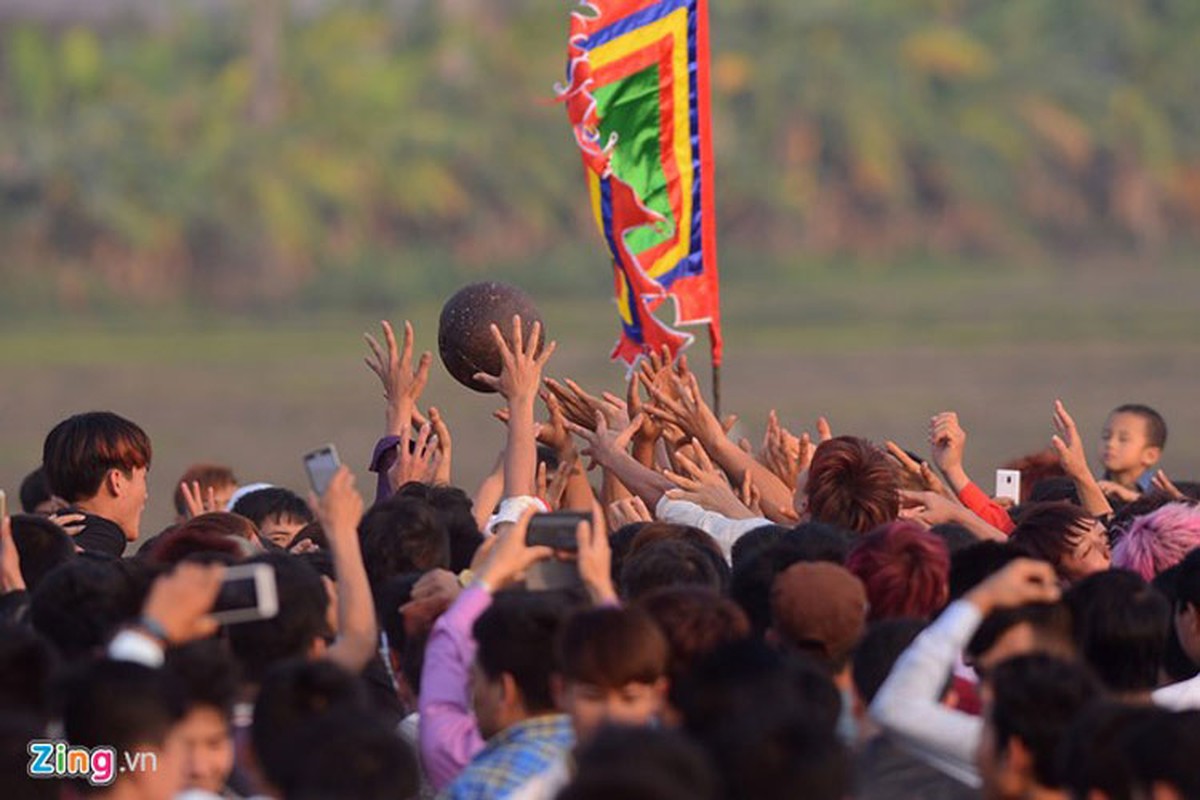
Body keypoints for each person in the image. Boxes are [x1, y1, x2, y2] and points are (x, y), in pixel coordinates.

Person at [41, 411, 153, 556]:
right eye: (143, 478)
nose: (145, 495)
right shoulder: (105, 544)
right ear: (116, 481)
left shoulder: (25, 549)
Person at [1097, 403, 1167, 497]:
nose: (1110, 444)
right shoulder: (1093, 490)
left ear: (1150, 455)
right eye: (1106, 436)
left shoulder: (1161, 493)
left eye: (1123, 439)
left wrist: (1132, 497)